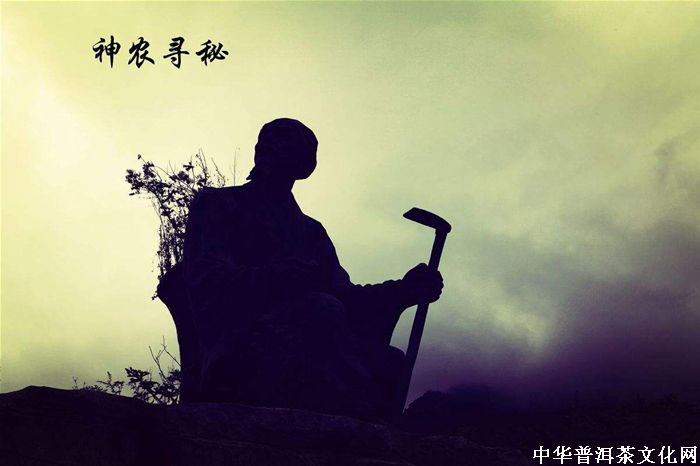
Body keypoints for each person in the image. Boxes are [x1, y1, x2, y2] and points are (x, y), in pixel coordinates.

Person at [182, 118, 443, 420]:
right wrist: (278, 276)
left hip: (316, 334)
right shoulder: (218, 205)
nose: (270, 148)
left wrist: (402, 290)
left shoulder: (310, 232)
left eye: (284, 144)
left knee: (389, 361)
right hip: (242, 342)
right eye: (267, 143)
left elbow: (347, 299)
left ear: (306, 164)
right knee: (321, 309)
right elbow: (208, 282)